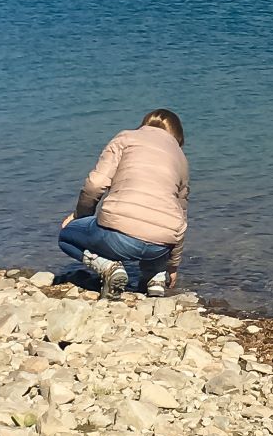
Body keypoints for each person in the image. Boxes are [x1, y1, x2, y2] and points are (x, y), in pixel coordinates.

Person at [58, 108, 188, 298]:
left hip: (118, 238)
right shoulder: (181, 158)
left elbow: (95, 184)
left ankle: (108, 267)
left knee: (66, 235)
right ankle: (156, 279)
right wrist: (173, 265)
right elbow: (181, 215)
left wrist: (80, 216)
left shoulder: (126, 138)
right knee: (159, 228)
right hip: (159, 248)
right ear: (177, 136)